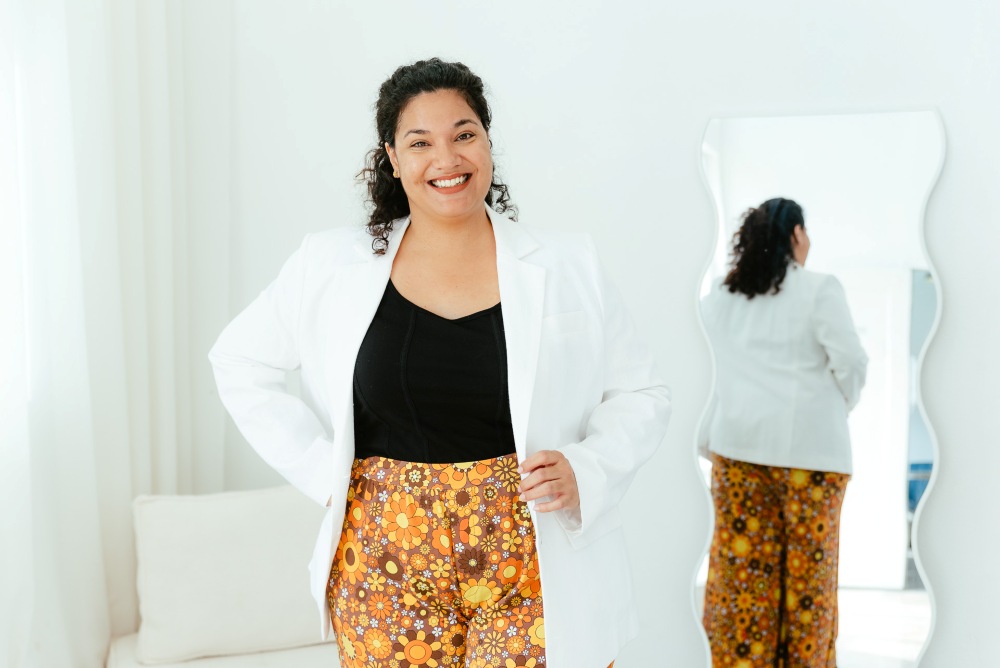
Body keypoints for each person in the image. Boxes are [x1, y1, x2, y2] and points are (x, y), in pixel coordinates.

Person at [209, 58, 670, 668]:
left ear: (487, 142)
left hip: (533, 558)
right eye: (420, 143)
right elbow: (239, 360)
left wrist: (587, 467)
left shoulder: (567, 264)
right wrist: (324, 471)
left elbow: (643, 392)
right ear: (393, 160)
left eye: (464, 134)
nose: (446, 159)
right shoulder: (329, 265)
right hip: (383, 565)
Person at [699, 197, 868, 668]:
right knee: (809, 589)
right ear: (796, 235)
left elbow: (704, 372)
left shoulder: (720, 300)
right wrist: (837, 406)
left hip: (737, 454)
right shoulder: (819, 289)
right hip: (813, 462)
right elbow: (851, 363)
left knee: (742, 586)